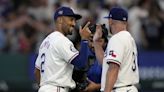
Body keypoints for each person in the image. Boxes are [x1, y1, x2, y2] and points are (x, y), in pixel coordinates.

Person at [34, 6, 91, 92]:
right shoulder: (61, 40)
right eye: (71, 19)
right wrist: (85, 40)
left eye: (75, 21)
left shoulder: (45, 42)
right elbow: (81, 63)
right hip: (56, 89)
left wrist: (44, 88)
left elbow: (37, 71)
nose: (74, 24)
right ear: (60, 20)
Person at [93, 7, 139, 92]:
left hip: (120, 89)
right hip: (127, 88)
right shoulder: (129, 38)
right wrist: (96, 43)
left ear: (110, 21)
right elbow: (106, 64)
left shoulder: (117, 38)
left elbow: (113, 69)